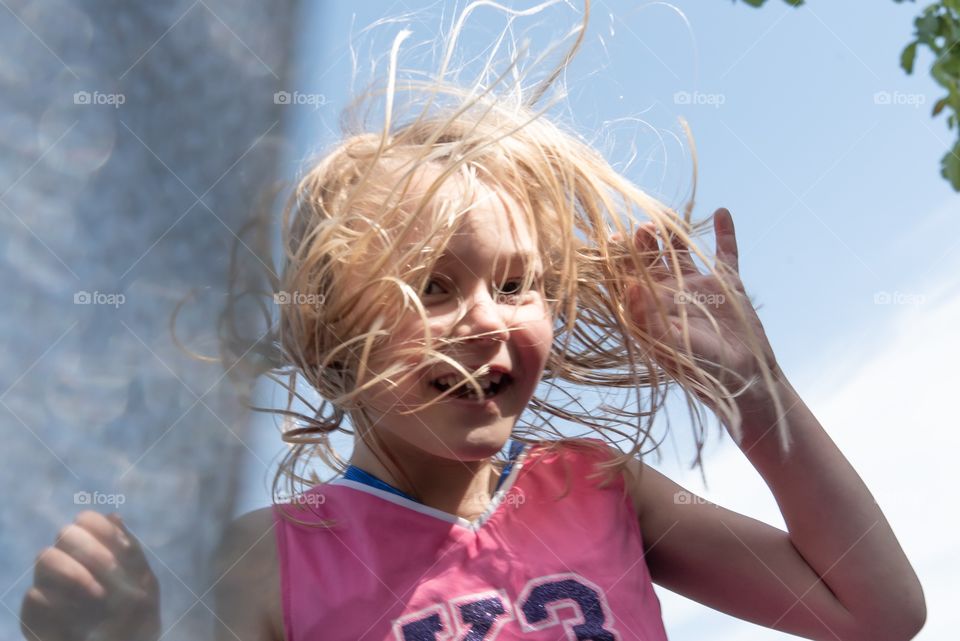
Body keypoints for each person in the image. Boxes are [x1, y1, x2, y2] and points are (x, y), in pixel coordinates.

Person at [20, 1, 926, 640]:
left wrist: (752, 393)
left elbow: (878, 613)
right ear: (336, 338)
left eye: (518, 282)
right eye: (434, 287)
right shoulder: (267, 560)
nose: (486, 320)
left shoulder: (599, 486)